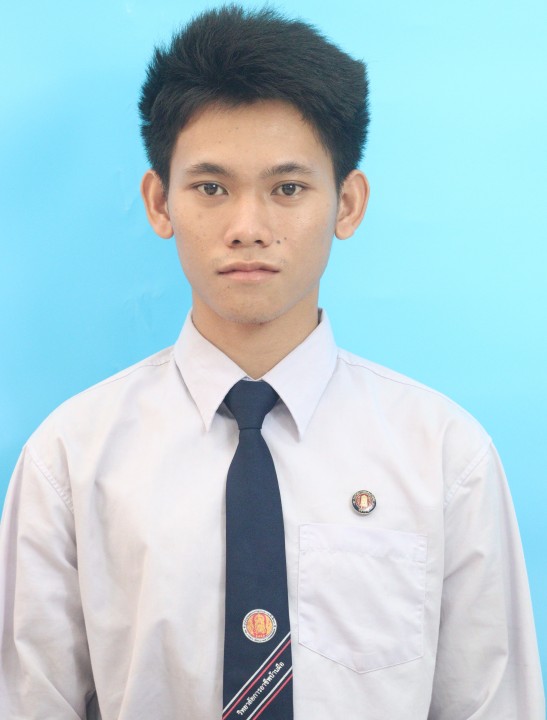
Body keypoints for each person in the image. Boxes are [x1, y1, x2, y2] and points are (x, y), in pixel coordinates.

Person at [0, 6, 544, 719]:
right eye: (210, 187)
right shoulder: (71, 460)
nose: (247, 228)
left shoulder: (444, 455)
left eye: (287, 188)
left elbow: (492, 705)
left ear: (347, 204)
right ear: (159, 202)